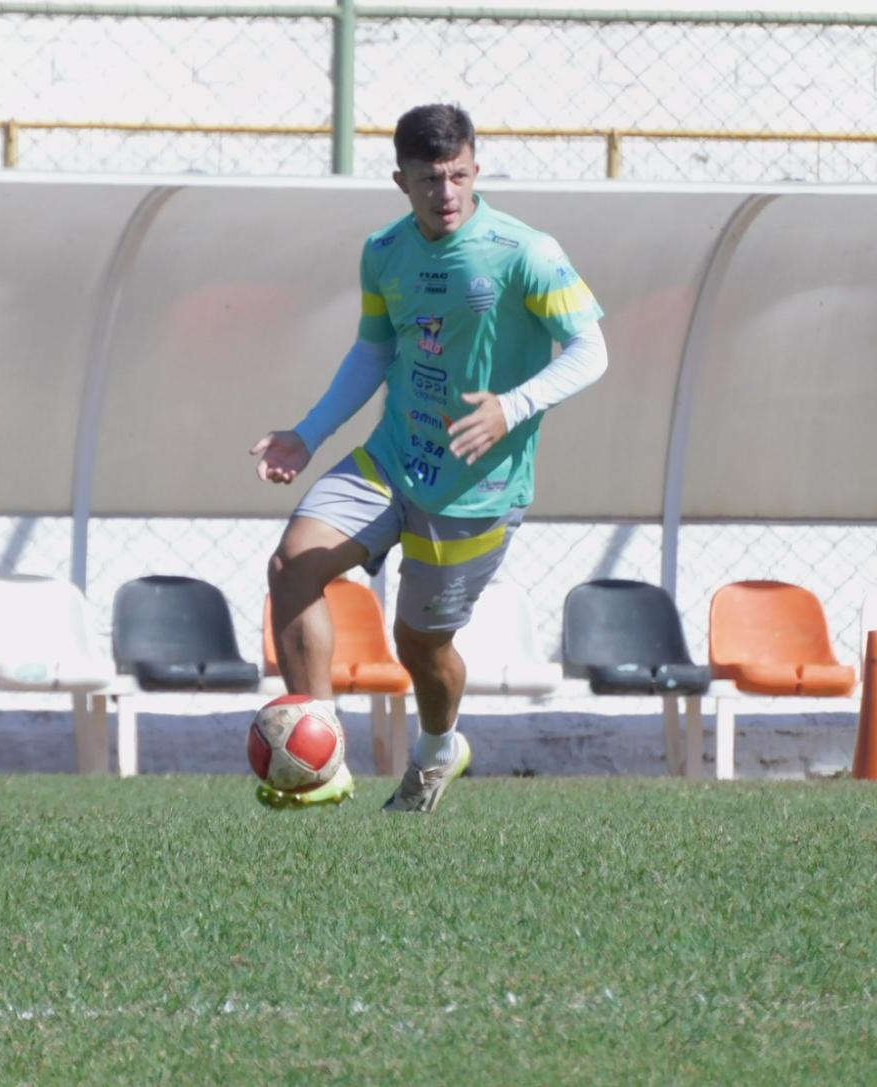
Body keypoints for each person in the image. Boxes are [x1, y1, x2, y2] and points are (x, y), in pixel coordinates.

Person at [250, 103, 608, 813]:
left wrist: (513, 406)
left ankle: (440, 749)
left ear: (475, 167)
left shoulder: (525, 252)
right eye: (429, 179)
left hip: (476, 489)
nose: (447, 193)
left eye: (459, 175)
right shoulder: (384, 252)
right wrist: (308, 433)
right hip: (391, 458)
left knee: (419, 647)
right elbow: (374, 351)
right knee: (292, 564)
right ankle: (318, 759)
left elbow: (592, 351)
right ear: (400, 181)